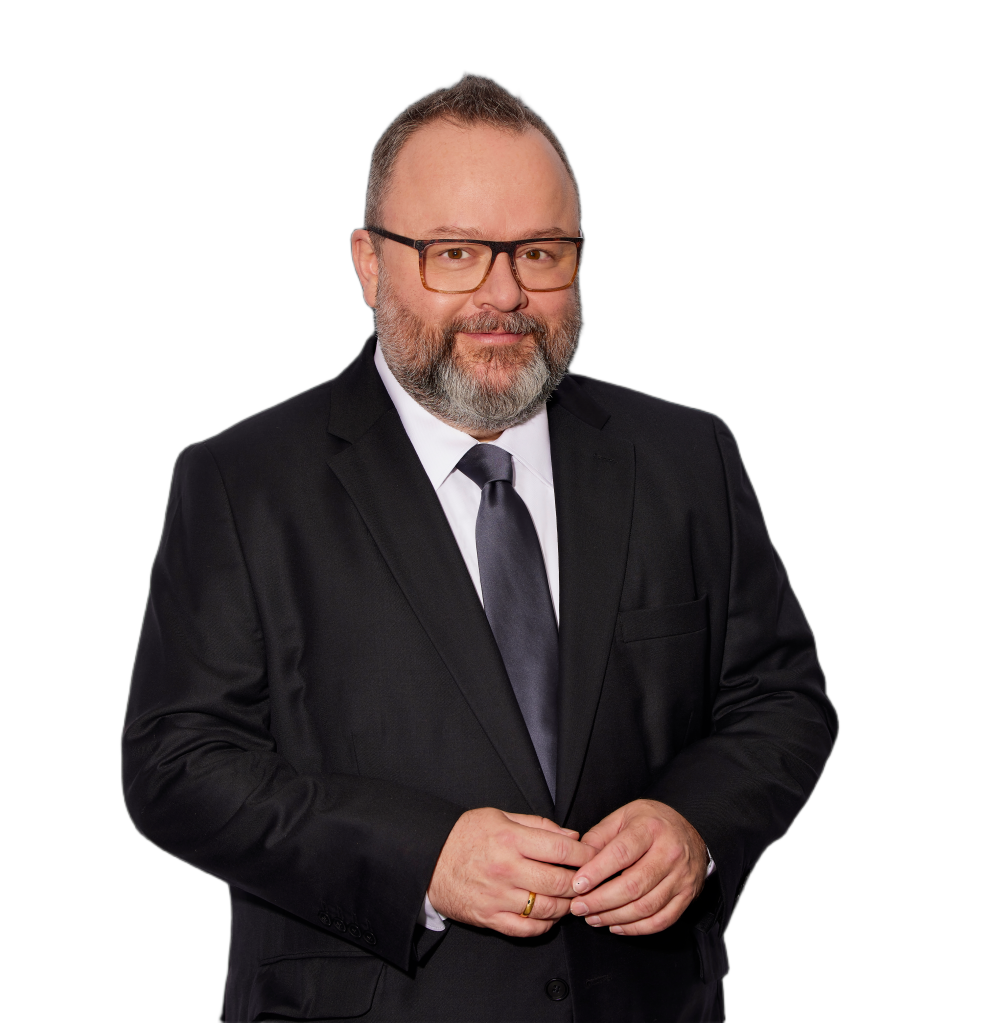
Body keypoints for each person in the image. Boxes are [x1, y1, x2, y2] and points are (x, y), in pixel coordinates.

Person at [123, 75, 836, 1023]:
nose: (505, 295)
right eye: (455, 253)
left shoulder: (686, 456)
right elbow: (174, 765)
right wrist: (424, 859)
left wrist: (696, 825)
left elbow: (781, 699)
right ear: (369, 264)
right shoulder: (240, 481)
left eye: (539, 252)